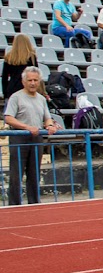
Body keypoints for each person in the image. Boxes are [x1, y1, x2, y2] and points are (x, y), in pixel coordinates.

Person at [3, 67, 59, 204]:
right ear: (23, 81)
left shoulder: (41, 99)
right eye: (30, 80)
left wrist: (50, 125)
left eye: (35, 80)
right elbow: (8, 118)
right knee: (16, 174)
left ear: (39, 81)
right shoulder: (16, 97)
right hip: (19, 137)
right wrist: (26, 127)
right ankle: (14, 205)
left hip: (36, 138)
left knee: (34, 173)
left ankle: (34, 203)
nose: (33, 83)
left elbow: (47, 117)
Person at [2, 34, 39, 101]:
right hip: (26, 87)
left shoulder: (9, 57)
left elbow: (4, 77)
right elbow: (36, 73)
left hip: (12, 87)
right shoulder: (32, 56)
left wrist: (5, 93)